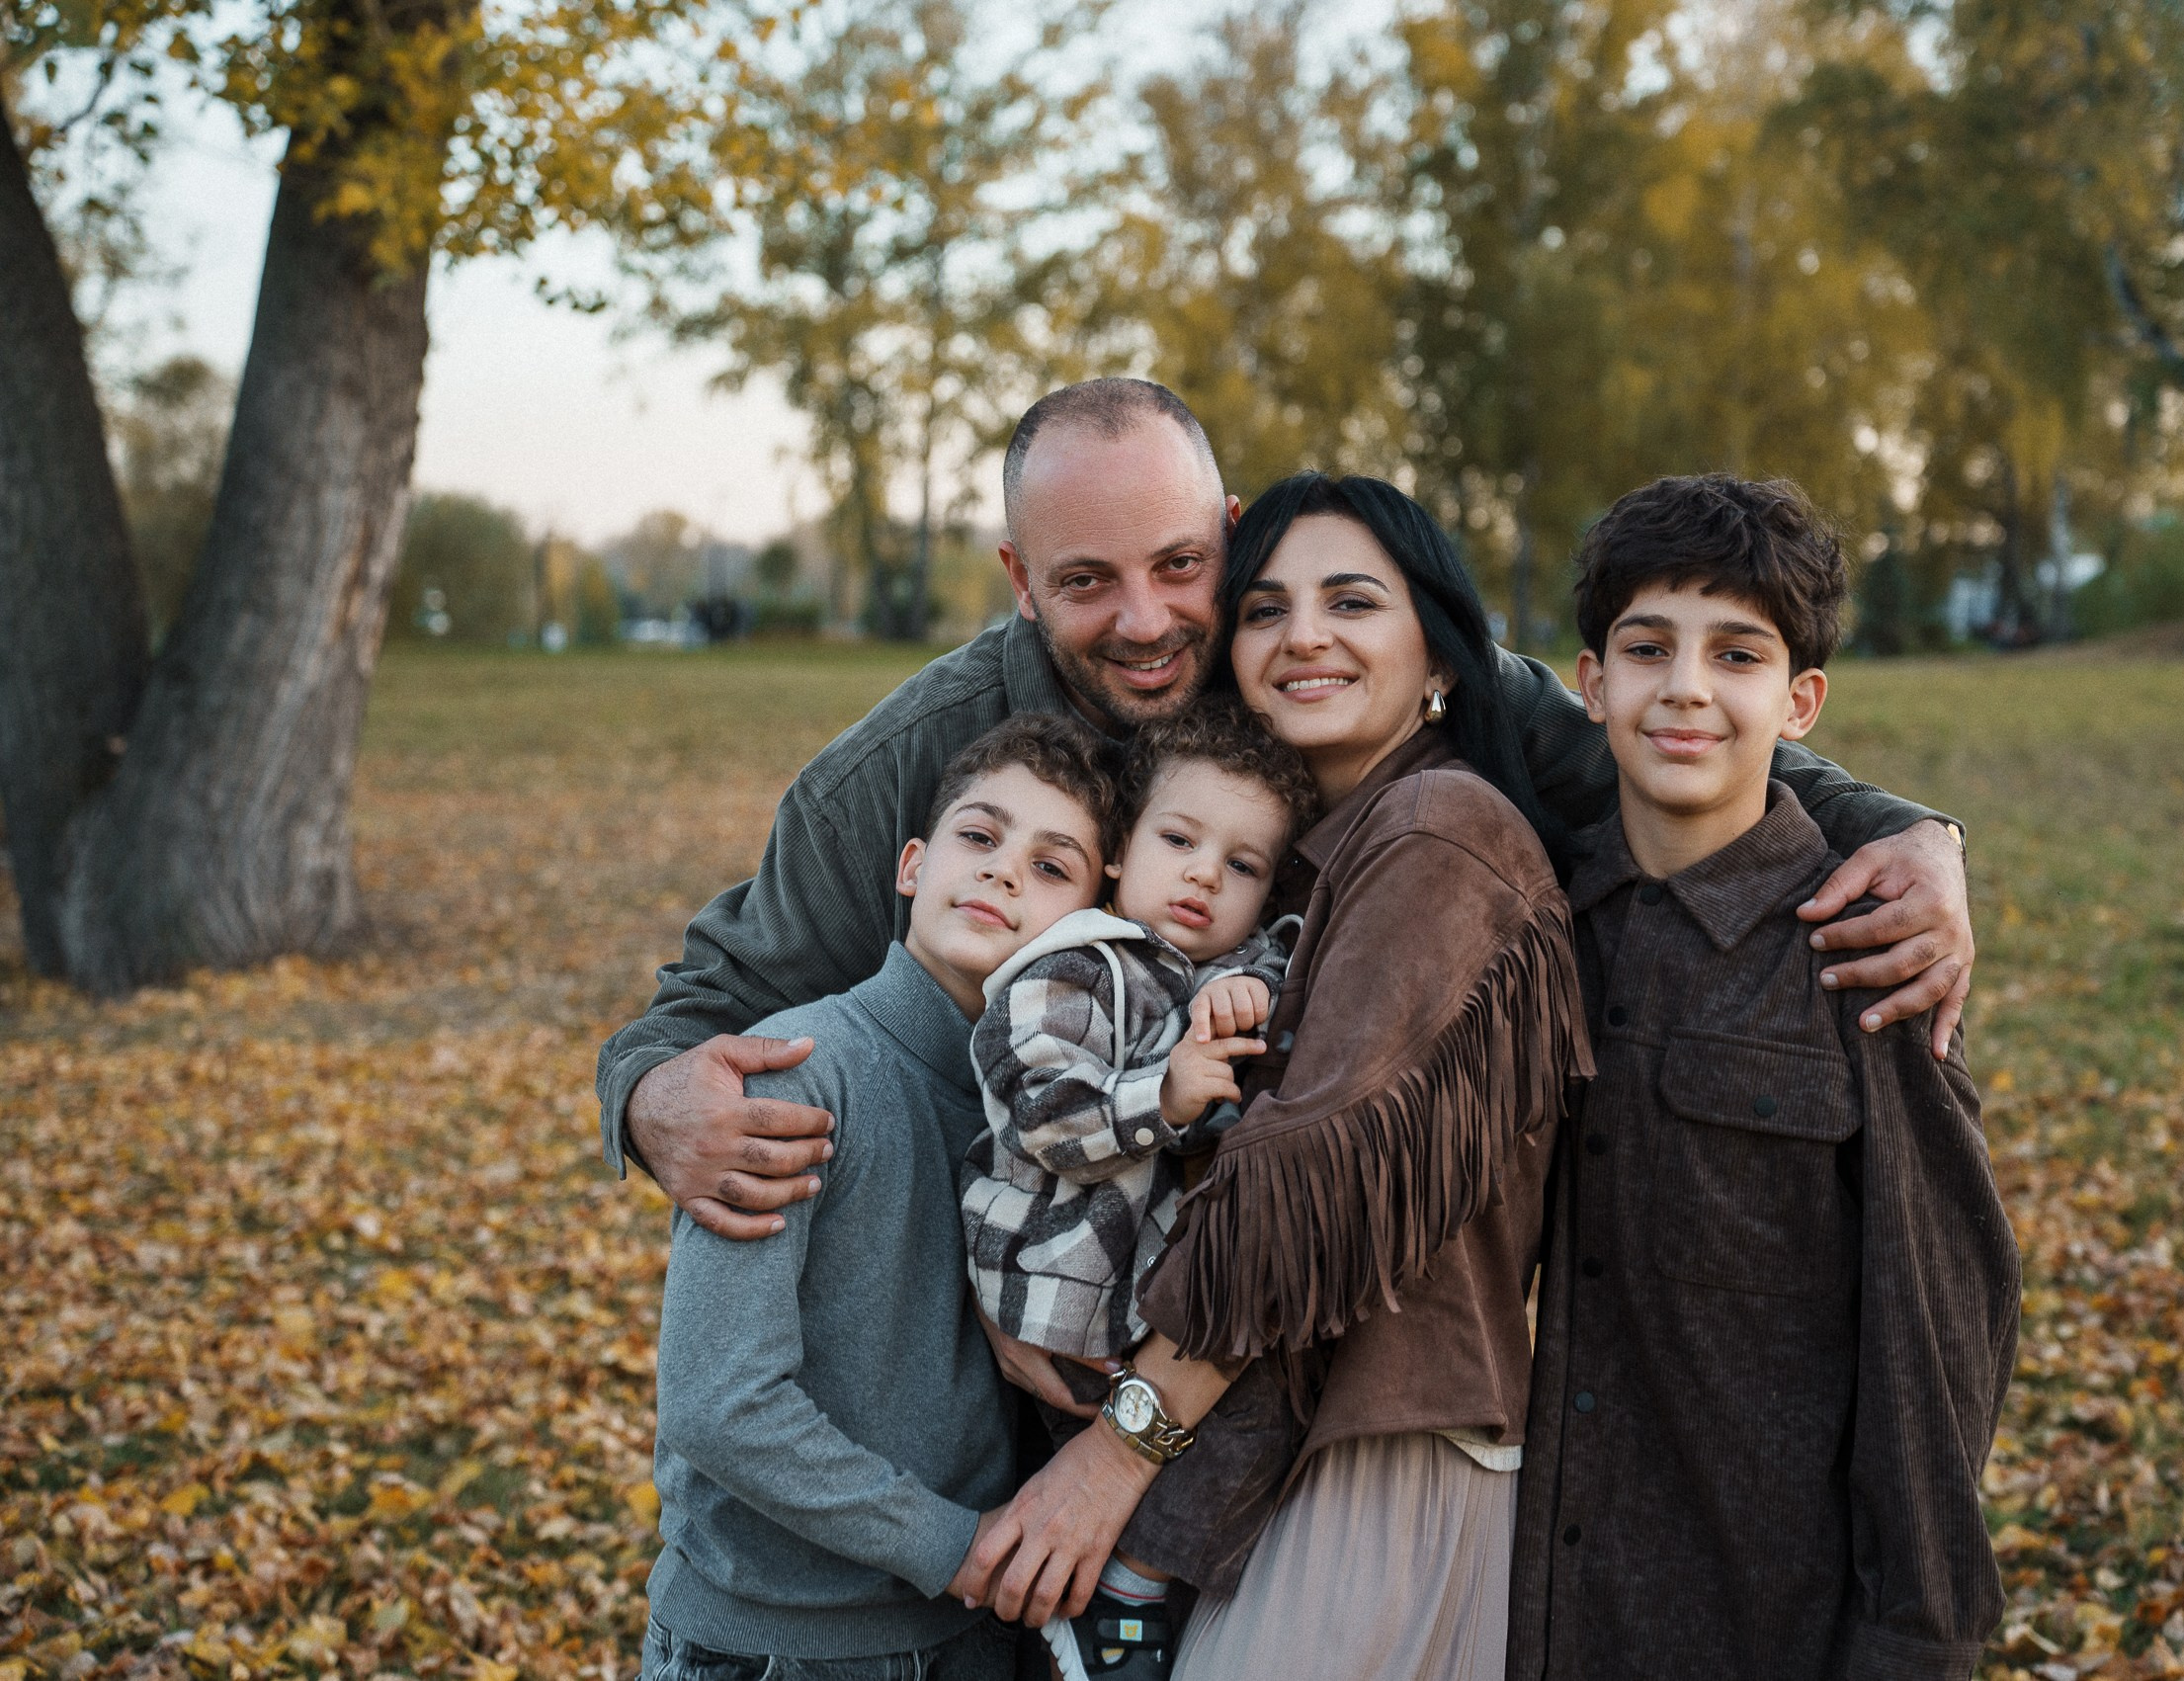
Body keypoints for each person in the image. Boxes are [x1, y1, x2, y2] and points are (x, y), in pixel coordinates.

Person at [594, 378, 1977, 1256]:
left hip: (1285, 1293)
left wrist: (1908, 830)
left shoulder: (1313, 665)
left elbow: (1642, 726)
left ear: (1229, 530)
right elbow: (702, 1001)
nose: (1144, 620)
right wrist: (654, 1100)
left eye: (1181, 565)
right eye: (1085, 581)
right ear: (1019, 578)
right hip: (999, 1282)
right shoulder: (903, 766)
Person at [950, 474, 1591, 1681]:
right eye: (1265, 610)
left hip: (1376, 1446)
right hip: (1273, 1453)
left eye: (1351, 601)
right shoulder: (1282, 869)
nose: (1302, 635)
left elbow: (1303, 1189)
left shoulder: (1437, 832)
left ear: (1441, 656)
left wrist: (1117, 1451)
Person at [1506, 475, 2021, 1681]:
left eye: (1734, 654)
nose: (1684, 686)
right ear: (1590, 684)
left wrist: (1915, 1638)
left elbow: (1938, 1335)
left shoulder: (1866, 961)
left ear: (1798, 702)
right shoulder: (1529, 932)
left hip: (1765, 1613)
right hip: (1527, 1599)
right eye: (1647, 647)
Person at [642, 715, 1126, 1681]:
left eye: (1049, 865)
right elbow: (717, 1402)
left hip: (977, 1640)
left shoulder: (1077, 1116)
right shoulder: (802, 1078)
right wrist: (954, 1544)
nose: (1000, 873)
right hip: (777, 1647)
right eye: (980, 838)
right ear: (912, 865)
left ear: (1090, 923)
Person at [960, 700, 1320, 1679]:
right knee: (1218, 1424)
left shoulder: (1216, 973)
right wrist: (1157, 1094)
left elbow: (1274, 981)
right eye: (1179, 839)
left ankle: (1129, 1587)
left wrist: (1254, 982)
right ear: (1119, 853)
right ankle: (1120, 1590)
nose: (1205, 873)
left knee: (1257, 1412)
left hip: (1134, 1301)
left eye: (1242, 864)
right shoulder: (1075, 963)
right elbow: (1042, 1110)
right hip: (1051, 1286)